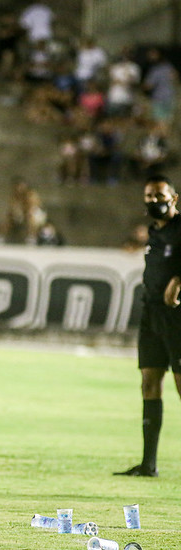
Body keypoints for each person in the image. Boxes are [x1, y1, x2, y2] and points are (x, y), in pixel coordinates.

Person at [115, 175, 181, 478]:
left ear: (174, 198)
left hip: (177, 318)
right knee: (149, 382)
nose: (154, 201)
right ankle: (149, 464)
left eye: (159, 195)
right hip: (151, 314)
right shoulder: (154, 233)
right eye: (149, 197)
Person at [143, 48, 178, 126]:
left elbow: (148, 85)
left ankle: (160, 137)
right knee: (167, 122)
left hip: (159, 98)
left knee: (160, 122)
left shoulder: (154, 70)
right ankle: (163, 137)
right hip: (170, 96)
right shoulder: (168, 66)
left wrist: (143, 88)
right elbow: (175, 76)